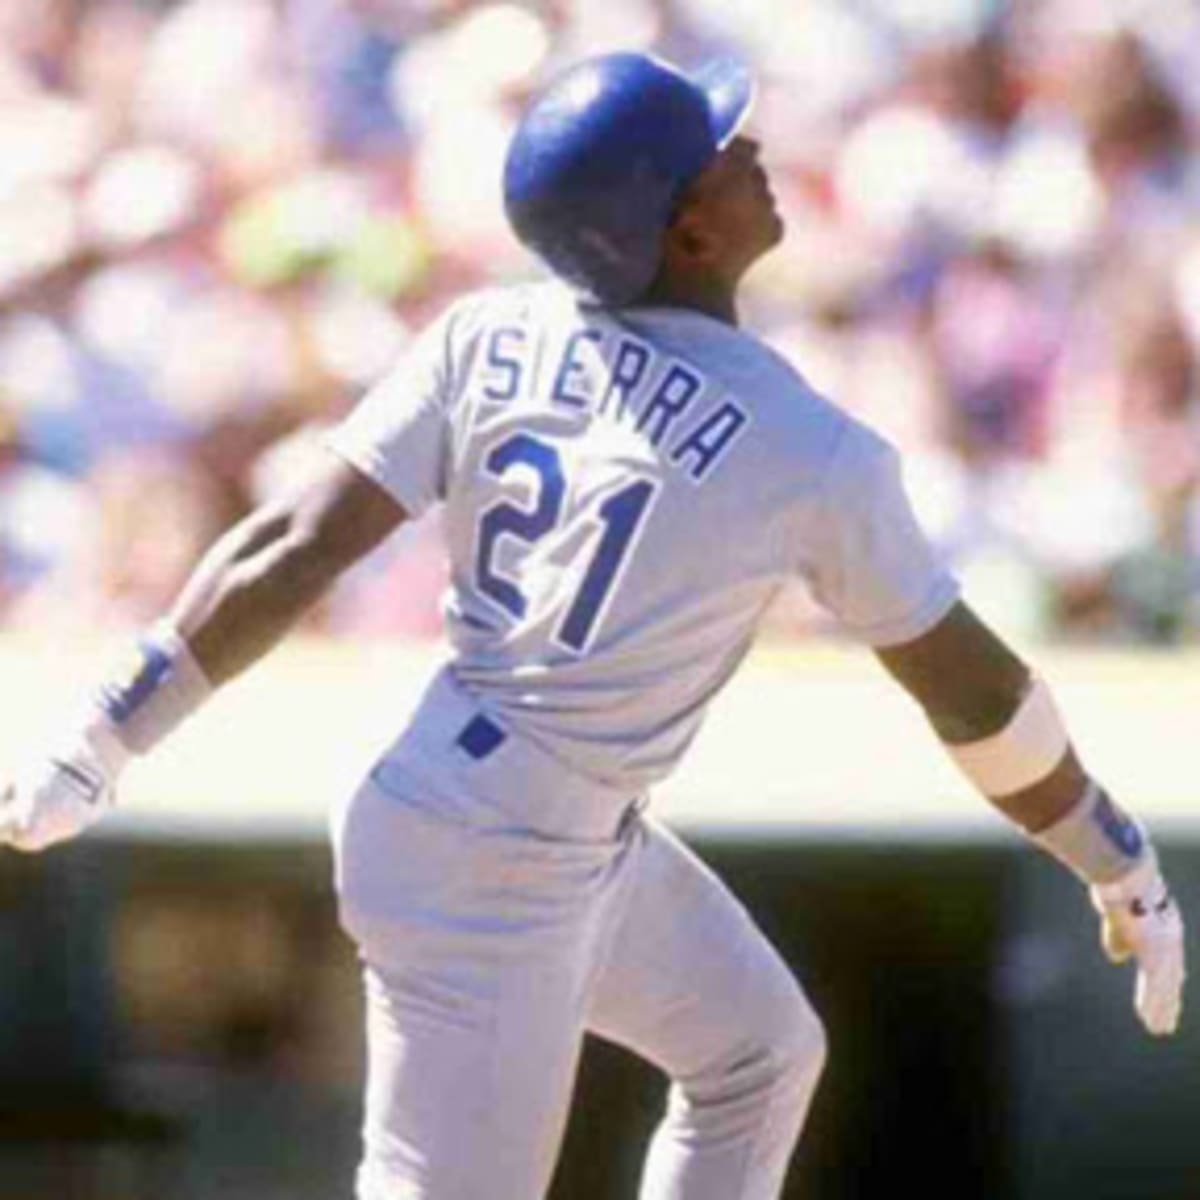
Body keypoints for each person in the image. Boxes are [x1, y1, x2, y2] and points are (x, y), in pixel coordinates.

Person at [1, 52, 1186, 1200]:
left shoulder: (489, 333)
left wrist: (110, 732)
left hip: (499, 808)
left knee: (761, 1055)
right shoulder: (807, 447)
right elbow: (972, 693)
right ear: (687, 231)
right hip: (499, 857)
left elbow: (294, 544)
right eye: (717, 152)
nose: (754, 149)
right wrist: (1112, 857)